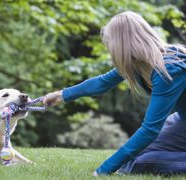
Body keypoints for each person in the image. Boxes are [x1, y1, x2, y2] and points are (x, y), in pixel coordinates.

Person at [42, 11, 186, 175]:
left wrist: (103, 171)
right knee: (132, 162)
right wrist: (61, 95)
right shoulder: (138, 64)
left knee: (140, 164)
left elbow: (150, 130)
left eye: (110, 43)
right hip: (182, 121)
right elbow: (102, 82)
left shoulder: (169, 68)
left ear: (122, 45)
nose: (110, 49)